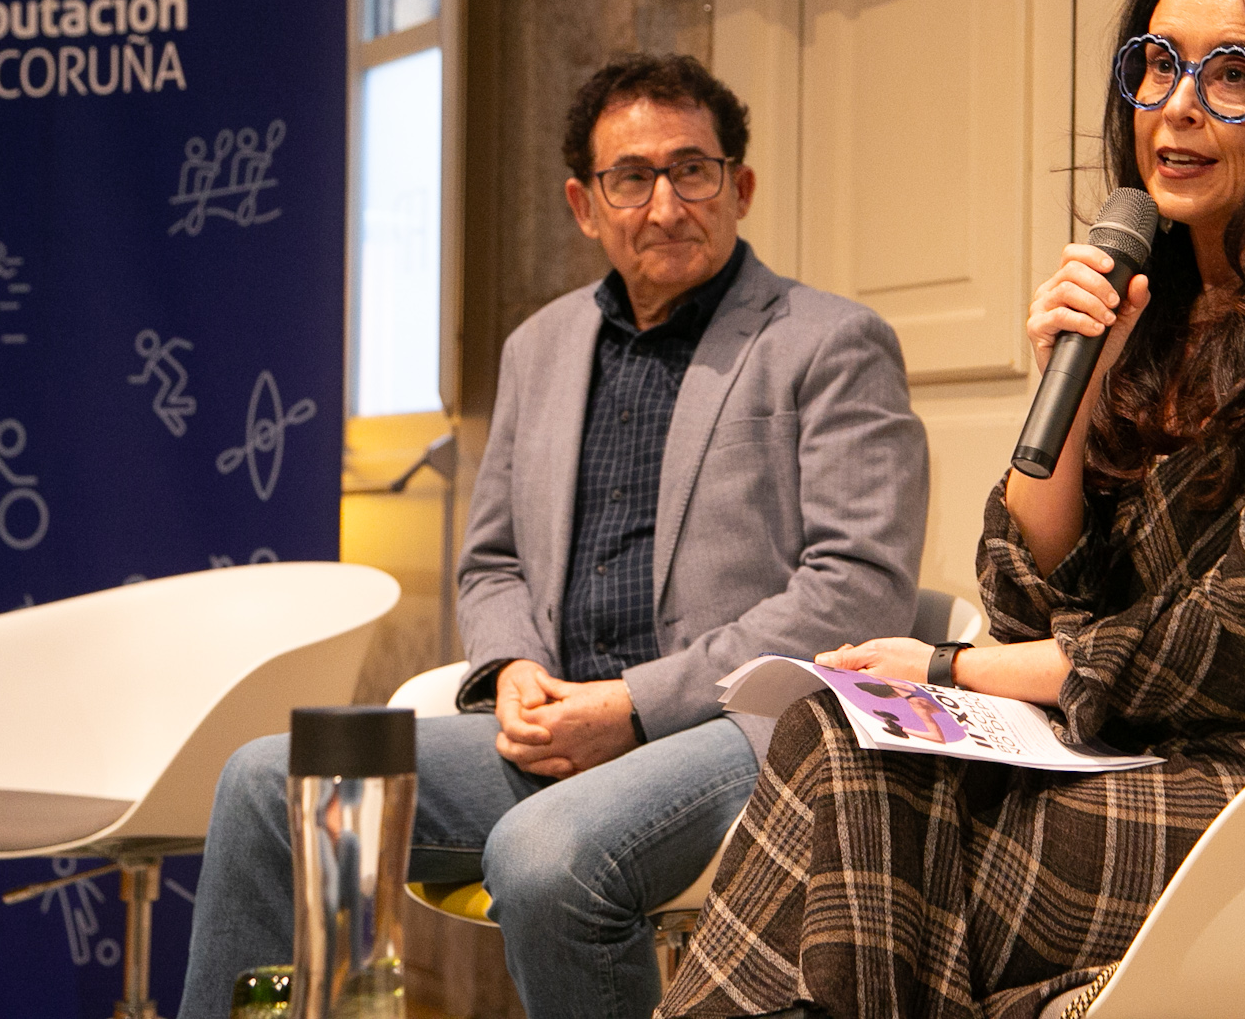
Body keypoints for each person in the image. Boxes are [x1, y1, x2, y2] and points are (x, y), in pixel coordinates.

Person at [656, 0, 1245, 1019]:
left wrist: (952, 666)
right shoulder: (1152, 313)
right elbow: (1030, 600)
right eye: (1156, 65)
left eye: (1232, 75)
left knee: (865, 839)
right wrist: (1070, 390)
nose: (1177, 106)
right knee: (837, 740)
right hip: (1140, 753)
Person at [176, 53, 930, 1019]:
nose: (665, 206)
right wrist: (512, 669)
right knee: (265, 785)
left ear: (740, 187)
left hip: (744, 732)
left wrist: (632, 706)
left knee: (545, 856)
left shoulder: (830, 341)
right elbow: (493, 559)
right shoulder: (540, 346)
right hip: (557, 725)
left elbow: (856, 588)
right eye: (632, 178)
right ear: (585, 204)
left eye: (692, 171)